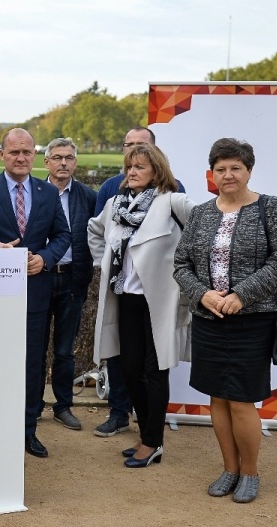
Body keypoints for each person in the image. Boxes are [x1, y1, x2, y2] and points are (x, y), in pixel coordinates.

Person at [173, 138, 277, 503]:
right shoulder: (201, 213)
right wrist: (203, 294)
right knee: (217, 398)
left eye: (235, 168)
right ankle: (229, 468)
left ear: (248, 170)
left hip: (252, 320)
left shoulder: (272, 208)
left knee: (241, 400)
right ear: (212, 174)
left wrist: (241, 294)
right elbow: (181, 264)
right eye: (221, 169)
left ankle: (250, 473)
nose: (228, 175)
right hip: (208, 318)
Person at [87, 144, 194, 469]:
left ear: (156, 171)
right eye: (129, 166)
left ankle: (152, 441)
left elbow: (201, 233)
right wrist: (101, 264)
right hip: (127, 299)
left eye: (140, 167)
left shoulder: (173, 202)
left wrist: (185, 275)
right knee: (131, 369)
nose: (131, 172)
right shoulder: (116, 204)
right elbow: (94, 230)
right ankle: (148, 435)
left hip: (159, 302)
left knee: (155, 371)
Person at [0, 128, 70, 458]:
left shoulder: (47, 193)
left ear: (35, 156)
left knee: (32, 363)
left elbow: (63, 236)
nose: (21, 157)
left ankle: (27, 430)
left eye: (27, 152)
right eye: (14, 152)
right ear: (2, 155)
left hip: (35, 292)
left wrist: (44, 260)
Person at [41, 137, 97, 431]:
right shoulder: (34, 192)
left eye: (69, 158)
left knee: (64, 349)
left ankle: (63, 406)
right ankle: (32, 404)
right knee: (34, 346)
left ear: (75, 163)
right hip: (38, 278)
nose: (64, 163)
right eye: (58, 157)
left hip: (72, 279)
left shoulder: (88, 196)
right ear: (46, 161)